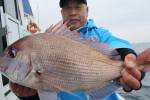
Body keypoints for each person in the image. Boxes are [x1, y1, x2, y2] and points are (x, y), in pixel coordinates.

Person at [10, 0, 144, 100]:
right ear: (62, 12)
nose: (73, 12)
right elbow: (46, 92)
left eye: (78, 7)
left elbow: (118, 45)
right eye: (68, 8)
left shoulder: (100, 35)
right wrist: (30, 96)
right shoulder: (48, 39)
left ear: (87, 10)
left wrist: (129, 57)